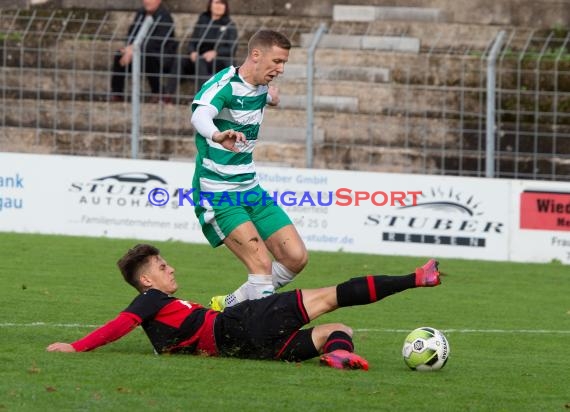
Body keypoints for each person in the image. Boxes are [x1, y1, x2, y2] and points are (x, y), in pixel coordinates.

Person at [46, 244, 442, 370]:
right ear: (146, 281)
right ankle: (416, 278)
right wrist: (76, 347)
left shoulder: (165, 312)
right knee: (332, 294)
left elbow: (176, 332)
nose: (171, 269)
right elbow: (121, 323)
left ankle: (338, 353)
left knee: (337, 330)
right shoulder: (150, 300)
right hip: (237, 327)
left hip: (245, 347)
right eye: (163, 268)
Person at [189, 29, 308, 312]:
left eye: (284, 63)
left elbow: (257, 97)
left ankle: (229, 304)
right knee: (262, 266)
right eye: (277, 61)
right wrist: (217, 135)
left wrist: (272, 99)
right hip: (218, 192)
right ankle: (263, 333)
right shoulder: (224, 85)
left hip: (250, 189)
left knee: (296, 256)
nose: (280, 69)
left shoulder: (261, 87)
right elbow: (199, 114)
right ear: (256, 55)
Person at [110, 0, 178, 102]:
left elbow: (157, 42)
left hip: (160, 56)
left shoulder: (165, 18)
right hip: (138, 52)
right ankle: (117, 93)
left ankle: (158, 92)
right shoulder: (141, 13)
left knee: (148, 55)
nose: (147, 2)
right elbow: (132, 33)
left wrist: (134, 49)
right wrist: (129, 48)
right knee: (120, 54)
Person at [165, 0, 237, 96]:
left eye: (222, 3)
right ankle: (167, 95)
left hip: (218, 60)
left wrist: (215, 53)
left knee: (200, 61)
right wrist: (192, 52)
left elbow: (232, 48)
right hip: (199, 56)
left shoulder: (229, 25)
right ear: (210, 5)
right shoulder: (202, 21)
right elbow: (192, 41)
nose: (219, 6)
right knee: (180, 60)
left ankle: (202, 96)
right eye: (216, 3)